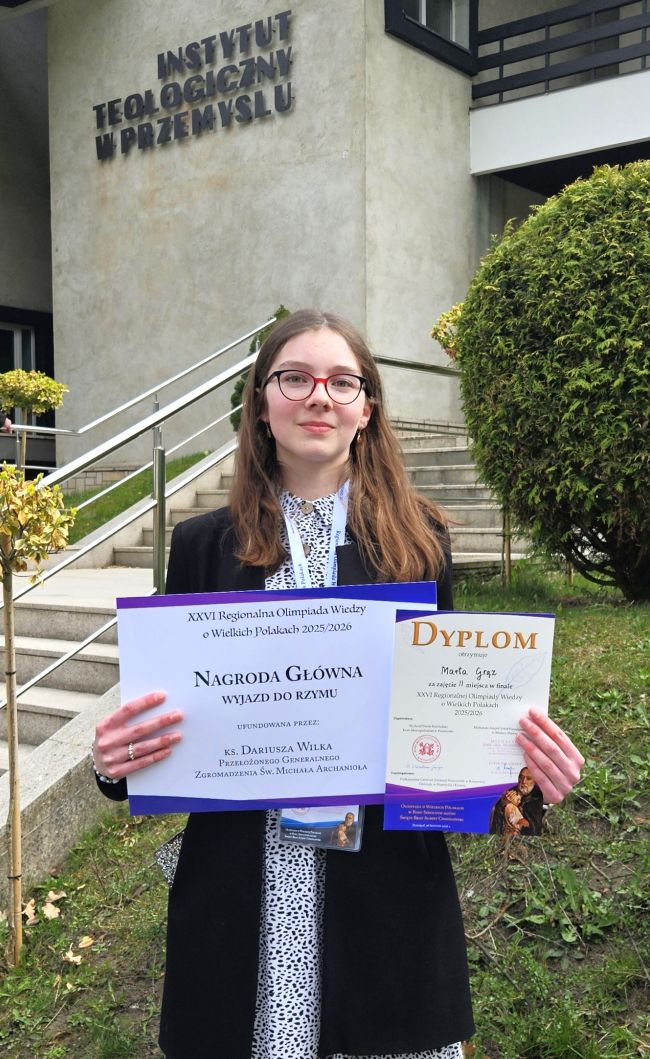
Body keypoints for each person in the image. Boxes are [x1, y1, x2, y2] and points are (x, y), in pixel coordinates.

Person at [92, 310, 584, 1059]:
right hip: (247, 887)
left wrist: (523, 776)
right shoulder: (201, 547)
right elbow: (164, 725)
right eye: (294, 378)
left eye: (341, 381)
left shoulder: (419, 544)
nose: (318, 396)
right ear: (262, 403)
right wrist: (114, 762)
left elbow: (450, 715)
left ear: (367, 407)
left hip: (383, 891)